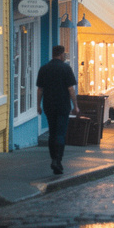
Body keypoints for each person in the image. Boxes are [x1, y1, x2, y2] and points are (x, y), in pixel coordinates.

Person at [36, 45, 79, 175]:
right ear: (61, 55)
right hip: (62, 106)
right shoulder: (66, 68)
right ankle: (57, 160)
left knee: (52, 133)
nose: (65, 56)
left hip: (49, 105)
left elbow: (40, 90)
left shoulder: (44, 69)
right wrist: (75, 105)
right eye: (64, 54)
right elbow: (70, 89)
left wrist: (38, 105)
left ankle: (53, 158)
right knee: (60, 133)